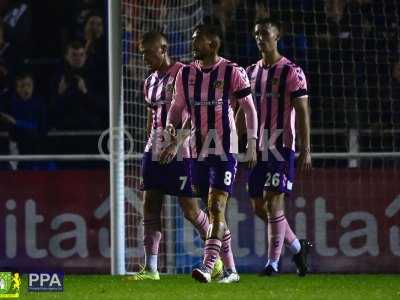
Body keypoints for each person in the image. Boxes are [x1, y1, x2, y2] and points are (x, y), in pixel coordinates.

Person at [163, 24, 258, 283]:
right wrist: (172, 133)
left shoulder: (232, 71)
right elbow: (178, 107)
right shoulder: (185, 74)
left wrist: (252, 141)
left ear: (213, 45)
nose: (193, 44)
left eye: (198, 40)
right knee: (215, 212)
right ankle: (232, 271)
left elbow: (249, 108)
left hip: (225, 149)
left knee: (216, 208)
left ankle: (207, 266)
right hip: (196, 151)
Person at [127, 31, 223, 281]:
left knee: (190, 210)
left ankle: (216, 258)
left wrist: (175, 144)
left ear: (164, 48)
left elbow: (194, 114)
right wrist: (152, 146)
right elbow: (152, 118)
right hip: (154, 150)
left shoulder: (185, 73)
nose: (145, 57)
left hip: (182, 152)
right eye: (142, 54)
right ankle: (151, 269)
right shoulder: (149, 82)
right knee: (150, 206)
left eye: (148, 52)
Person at [238, 17, 312, 276]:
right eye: (257, 33)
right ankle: (297, 246)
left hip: (282, 145)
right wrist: (238, 140)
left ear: (277, 35)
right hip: (258, 147)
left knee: (273, 203)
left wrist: (306, 149)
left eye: (265, 33)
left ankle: (272, 264)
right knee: (259, 206)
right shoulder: (249, 73)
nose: (260, 38)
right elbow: (242, 110)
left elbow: (302, 111)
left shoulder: (291, 71)